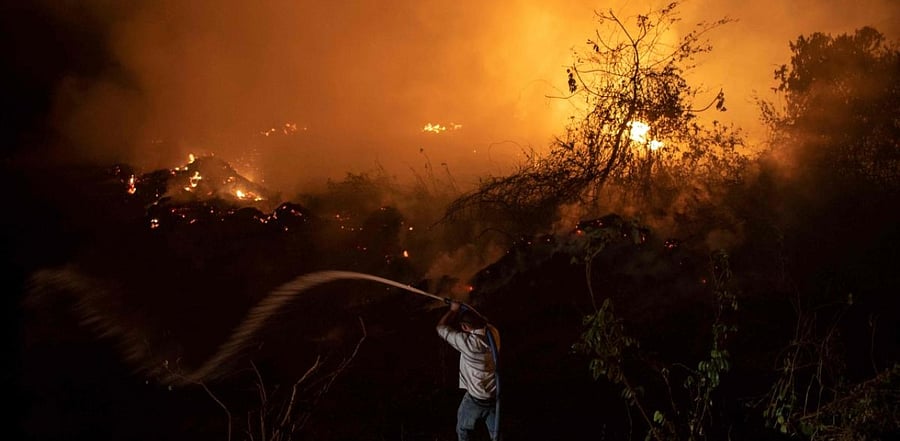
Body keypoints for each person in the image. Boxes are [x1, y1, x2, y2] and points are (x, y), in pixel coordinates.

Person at [436, 300, 501, 441]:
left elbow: (440, 328)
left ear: (465, 327)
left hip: (475, 399)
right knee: (496, 434)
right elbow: (484, 323)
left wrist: (453, 310)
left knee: (463, 429)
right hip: (493, 396)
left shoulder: (468, 345)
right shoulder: (494, 333)